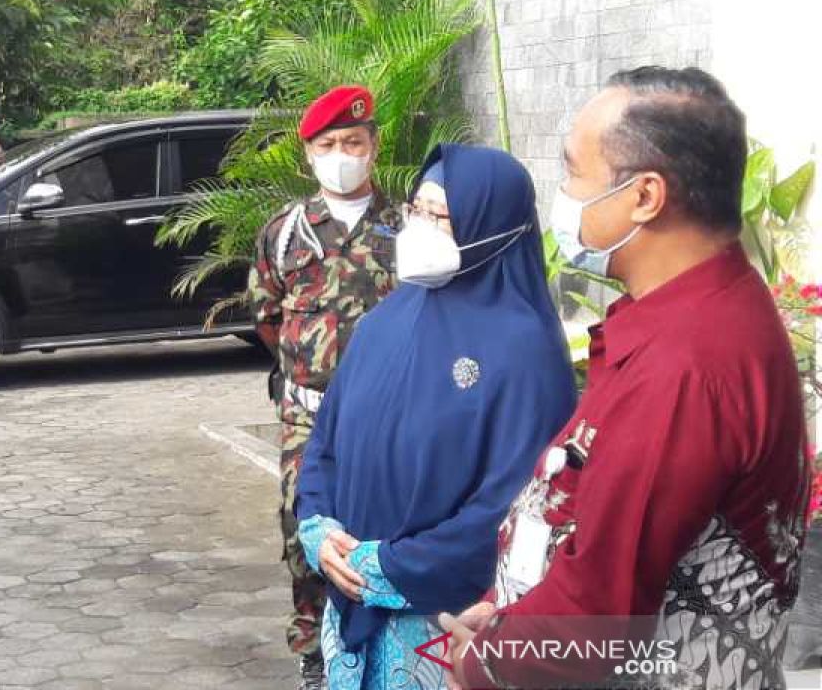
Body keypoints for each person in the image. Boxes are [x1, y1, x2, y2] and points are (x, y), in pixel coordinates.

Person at [443, 67, 812, 690]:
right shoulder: (686, 315)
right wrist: (508, 616)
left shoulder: (686, 369)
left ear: (645, 196)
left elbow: (596, 618)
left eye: (572, 172)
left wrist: (481, 665)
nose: (561, 195)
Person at [295, 144, 577, 690]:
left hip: (442, 627)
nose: (419, 227)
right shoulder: (386, 320)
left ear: (489, 227)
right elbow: (325, 443)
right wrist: (319, 529)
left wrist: (385, 567)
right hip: (349, 608)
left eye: (439, 216)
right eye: (416, 211)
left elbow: (515, 502)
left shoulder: (525, 352)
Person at [249, 85, 403, 689]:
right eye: (330, 144)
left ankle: (389, 638)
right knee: (301, 525)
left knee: (387, 521)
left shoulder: (406, 225)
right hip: (309, 416)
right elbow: (267, 316)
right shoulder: (286, 233)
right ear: (309, 153)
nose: (343, 153)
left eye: (354, 142)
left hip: (391, 414)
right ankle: (314, 649)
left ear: (374, 146)